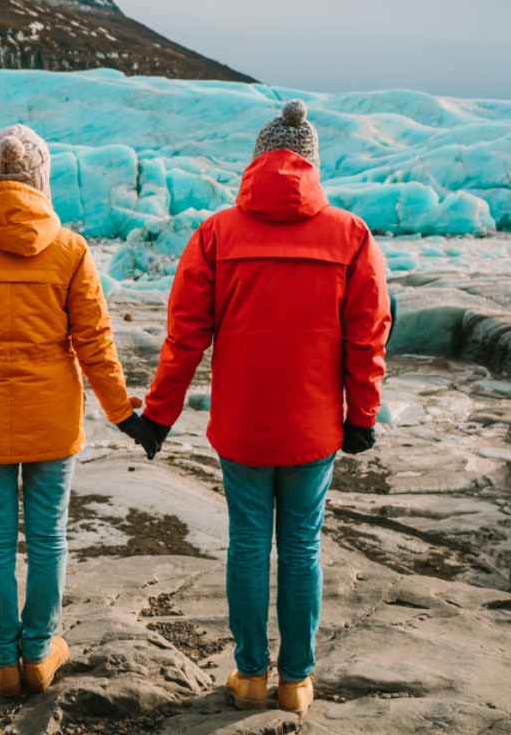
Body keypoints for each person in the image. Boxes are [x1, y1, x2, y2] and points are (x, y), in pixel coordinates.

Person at [141, 100, 391, 716]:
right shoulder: (351, 235)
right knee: (302, 546)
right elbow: (369, 334)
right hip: (313, 428)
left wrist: (159, 414)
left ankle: (251, 674)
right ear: (311, 163)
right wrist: (362, 415)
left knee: (248, 544)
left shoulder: (217, 234)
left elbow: (185, 336)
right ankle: (297, 681)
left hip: (243, 427)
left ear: (257, 161)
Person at [0, 124, 161, 698]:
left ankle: (3, 660)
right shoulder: (70, 249)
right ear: (41, 179)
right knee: (50, 538)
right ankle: (39, 650)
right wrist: (123, 413)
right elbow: (95, 343)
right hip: (53, 417)